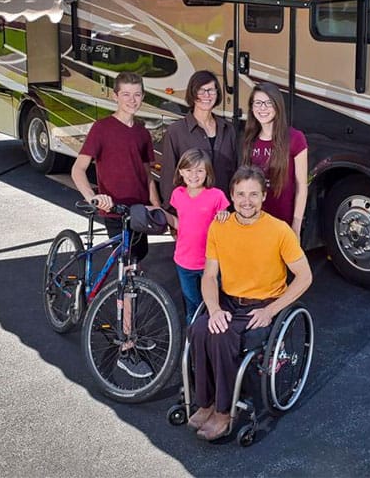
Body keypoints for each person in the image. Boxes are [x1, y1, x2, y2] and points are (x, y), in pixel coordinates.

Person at [187, 165, 312, 441]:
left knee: (221, 337)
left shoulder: (279, 231)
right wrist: (215, 309)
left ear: (264, 196)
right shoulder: (220, 228)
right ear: (231, 195)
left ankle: (223, 412)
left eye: (253, 194)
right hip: (229, 301)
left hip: (262, 304)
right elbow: (209, 276)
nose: (247, 201)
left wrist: (271, 310)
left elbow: (305, 277)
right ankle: (205, 402)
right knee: (198, 329)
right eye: (241, 194)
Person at [71, 71, 161, 379]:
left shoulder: (142, 133)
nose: (132, 100)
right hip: (114, 213)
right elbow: (78, 170)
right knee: (127, 273)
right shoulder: (102, 129)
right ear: (115, 96)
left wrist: (156, 206)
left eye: (137, 95)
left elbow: (147, 175)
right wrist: (94, 197)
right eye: (126, 95)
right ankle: (126, 344)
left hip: (137, 212)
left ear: (143, 97)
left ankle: (129, 324)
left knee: (135, 270)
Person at [167, 149, 230, 325]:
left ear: (207, 172)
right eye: (188, 170)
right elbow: (180, 221)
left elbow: (223, 222)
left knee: (213, 305)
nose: (193, 175)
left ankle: (212, 338)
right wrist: (159, 214)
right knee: (192, 306)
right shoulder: (177, 194)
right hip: (184, 262)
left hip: (210, 264)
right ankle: (193, 343)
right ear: (180, 172)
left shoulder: (216, 196)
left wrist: (224, 217)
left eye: (200, 170)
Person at [160, 70, 238, 206]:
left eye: (211, 90)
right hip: (191, 212)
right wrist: (172, 214)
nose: (206, 95)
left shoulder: (228, 129)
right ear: (192, 93)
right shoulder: (175, 132)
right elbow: (169, 179)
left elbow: (236, 171)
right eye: (201, 91)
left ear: (217, 93)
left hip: (224, 212)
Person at [240, 82, 308, 237]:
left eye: (268, 103)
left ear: (277, 106)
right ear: (251, 107)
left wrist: (296, 226)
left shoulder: (295, 138)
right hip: (254, 220)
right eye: (257, 103)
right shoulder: (249, 139)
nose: (262, 108)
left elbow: (301, 187)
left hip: (283, 223)